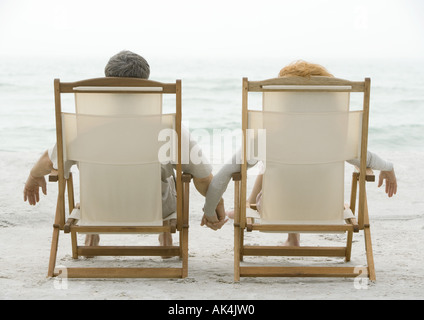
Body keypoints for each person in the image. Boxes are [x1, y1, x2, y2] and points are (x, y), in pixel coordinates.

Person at [23, 50, 227, 254]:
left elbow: (48, 162)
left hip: (98, 208)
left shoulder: (82, 126)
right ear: (146, 84)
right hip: (153, 210)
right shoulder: (170, 128)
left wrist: (33, 176)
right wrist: (215, 203)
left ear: (106, 83)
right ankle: (166, 235)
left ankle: (92, 231)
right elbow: (202, 178)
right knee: (172, 177)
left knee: (94, 184)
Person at [203, 60, 398, 246]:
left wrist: (210, 211)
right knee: (292, 162)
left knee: (273, 161)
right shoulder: (335, 139)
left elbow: (223, 175)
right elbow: (368, 158)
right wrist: (388, 167)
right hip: (326, 210)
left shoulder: (266, 138)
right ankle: (291, 238)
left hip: (277, 210)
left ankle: (254, 211)